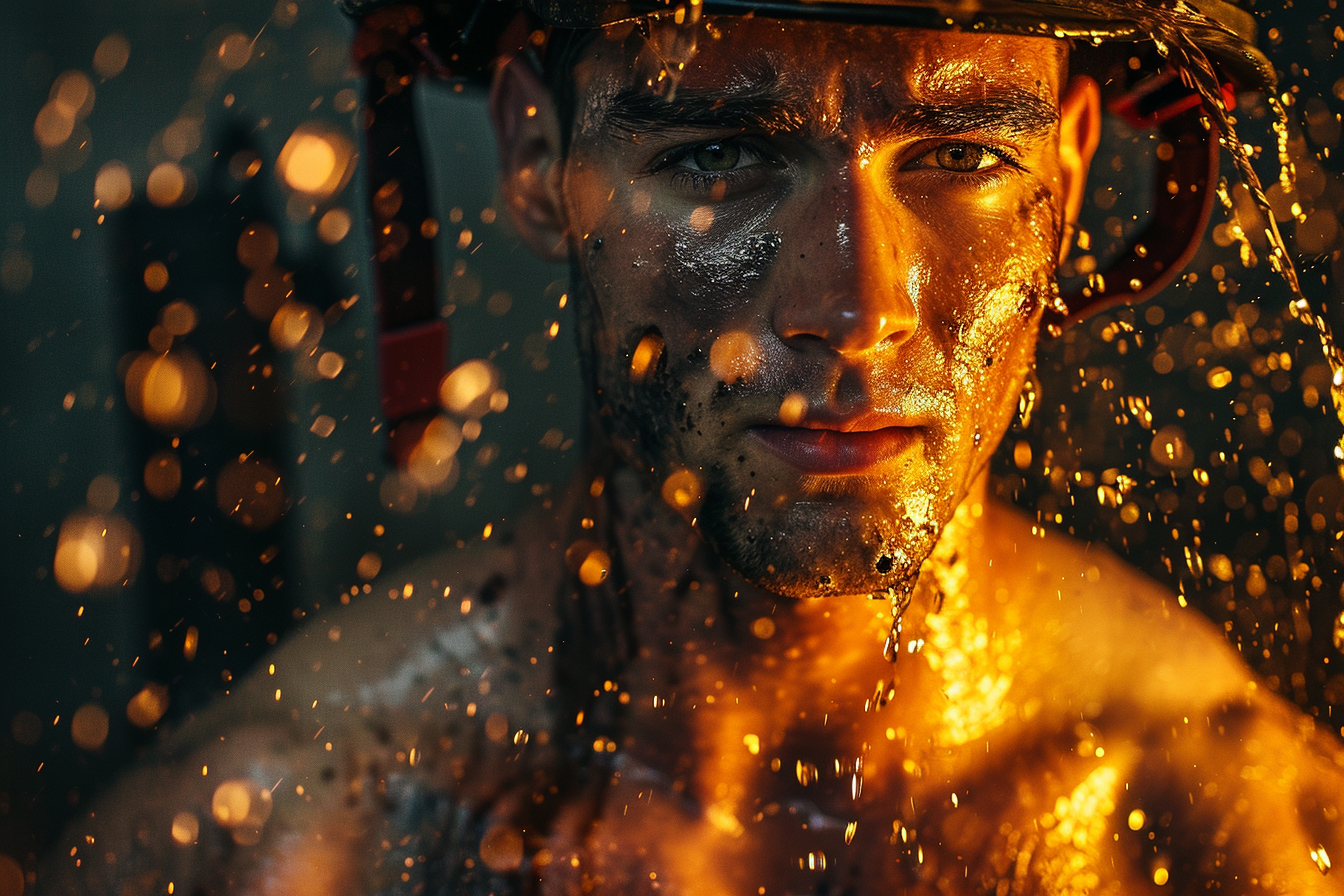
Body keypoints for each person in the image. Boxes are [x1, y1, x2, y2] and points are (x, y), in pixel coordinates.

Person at [38, 1, 1344, 893]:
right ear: (539, 155)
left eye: (959, 155)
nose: (854, 310)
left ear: (1064, 174)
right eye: (723, 154)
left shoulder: (1227, 827)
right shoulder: (291, 830)